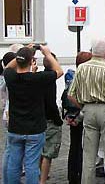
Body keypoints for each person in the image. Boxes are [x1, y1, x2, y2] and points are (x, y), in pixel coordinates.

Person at [4, 45, 63, 184]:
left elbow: (7, 67)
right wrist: (47, 53)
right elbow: (59, 71)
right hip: (35, 129)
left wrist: (24, 52)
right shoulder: (38, 78)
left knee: (14, 163)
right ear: (31, 61)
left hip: (15, 128)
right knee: (31, 164)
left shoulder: (10, 77)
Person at [68, 38, 105, 184]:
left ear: (92, 51)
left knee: (88, 156)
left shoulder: (82, 68)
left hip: (89, 110)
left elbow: (70, 95)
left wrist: (83, 107)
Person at [62, 51, 92, 184]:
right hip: (82, 115)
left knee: (74, 146)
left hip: (72, 115)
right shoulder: (85, 78)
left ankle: (72, 175)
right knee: (83, 147)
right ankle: (80, 174)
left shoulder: (72, 76)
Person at [40, 53, 64, 184]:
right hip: (49, 119)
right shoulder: (49, 79)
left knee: (40, 151)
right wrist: (57, 119)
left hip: (39, 118)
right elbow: (50, 103)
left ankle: (39, 176)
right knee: (47, 153)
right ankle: (42, 179)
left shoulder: (39, 76)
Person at [1, 51, 16, 183]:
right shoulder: (10, 77)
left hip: (8, 113)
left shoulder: (6, 77)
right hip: (11, 114)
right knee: (10, 149)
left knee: (10, 148)